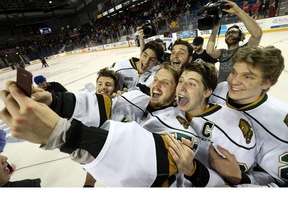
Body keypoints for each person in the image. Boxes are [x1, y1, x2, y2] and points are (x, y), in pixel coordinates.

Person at [0, 64, 202, 187]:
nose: (156, 85)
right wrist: (55, 102)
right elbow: (106, 107)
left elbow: (138, 160)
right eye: (156, 79)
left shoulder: (181, 130)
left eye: (165, 83)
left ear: (176, 90)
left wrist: (65, 135)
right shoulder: (136, 97)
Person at [163, 62, 256, 187]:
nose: (182, 87)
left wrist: (237, 178)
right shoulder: (172, 110)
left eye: (191, 83)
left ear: (207, 92)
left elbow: (238, 182)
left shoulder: (232, 130)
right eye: (181, 81)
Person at [209, 46, 288, 187]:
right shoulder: (220, 89)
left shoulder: (281, 125)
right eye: (233, 72)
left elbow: (279, 183)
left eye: (247, 76)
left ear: (266, 83)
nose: (234, 81)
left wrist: (241, 178)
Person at [206, 0, 263, 83]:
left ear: (241, 36)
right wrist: (215, 28)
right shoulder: (222, 52)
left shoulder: (246, 50)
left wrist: (239, 12)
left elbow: (257, 34)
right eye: (228, 33)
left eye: (234, 32)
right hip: (221, 89)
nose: (230, 34)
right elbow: (210, 51)